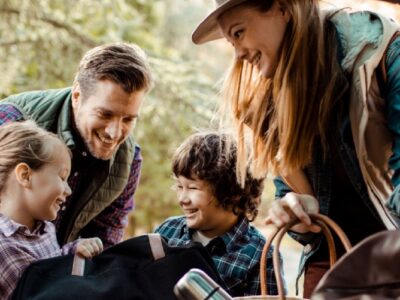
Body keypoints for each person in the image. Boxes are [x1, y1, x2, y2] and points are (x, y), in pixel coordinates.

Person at [191, 0, 400, 297]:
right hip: (332, 268)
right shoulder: (271, 105)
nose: (237, 54)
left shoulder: (381, 53)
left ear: (282, 8)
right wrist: (294, 212)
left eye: (238, 33)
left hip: (390, 263)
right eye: (230, 42)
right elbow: (291, 196)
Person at [0, 42, 152, 249]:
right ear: (77, 96)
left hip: (52, 274)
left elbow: (106, 241)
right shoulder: (10, 121)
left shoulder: (128, 160)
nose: (115, 133)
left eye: (128, 120)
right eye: (105, 114)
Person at [155, 132, 281, 297]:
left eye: (193, 188)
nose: (182, 199)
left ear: (233, 193)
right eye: (179, 186)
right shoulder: (167, 231)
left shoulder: (262, 257)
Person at [0, 121, 103, 300]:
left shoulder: (45, 228)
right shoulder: (5, 248)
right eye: (62, 177)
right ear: (25, 175)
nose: (68, 190)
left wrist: (73, 251)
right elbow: (49, 291)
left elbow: (52, 267)